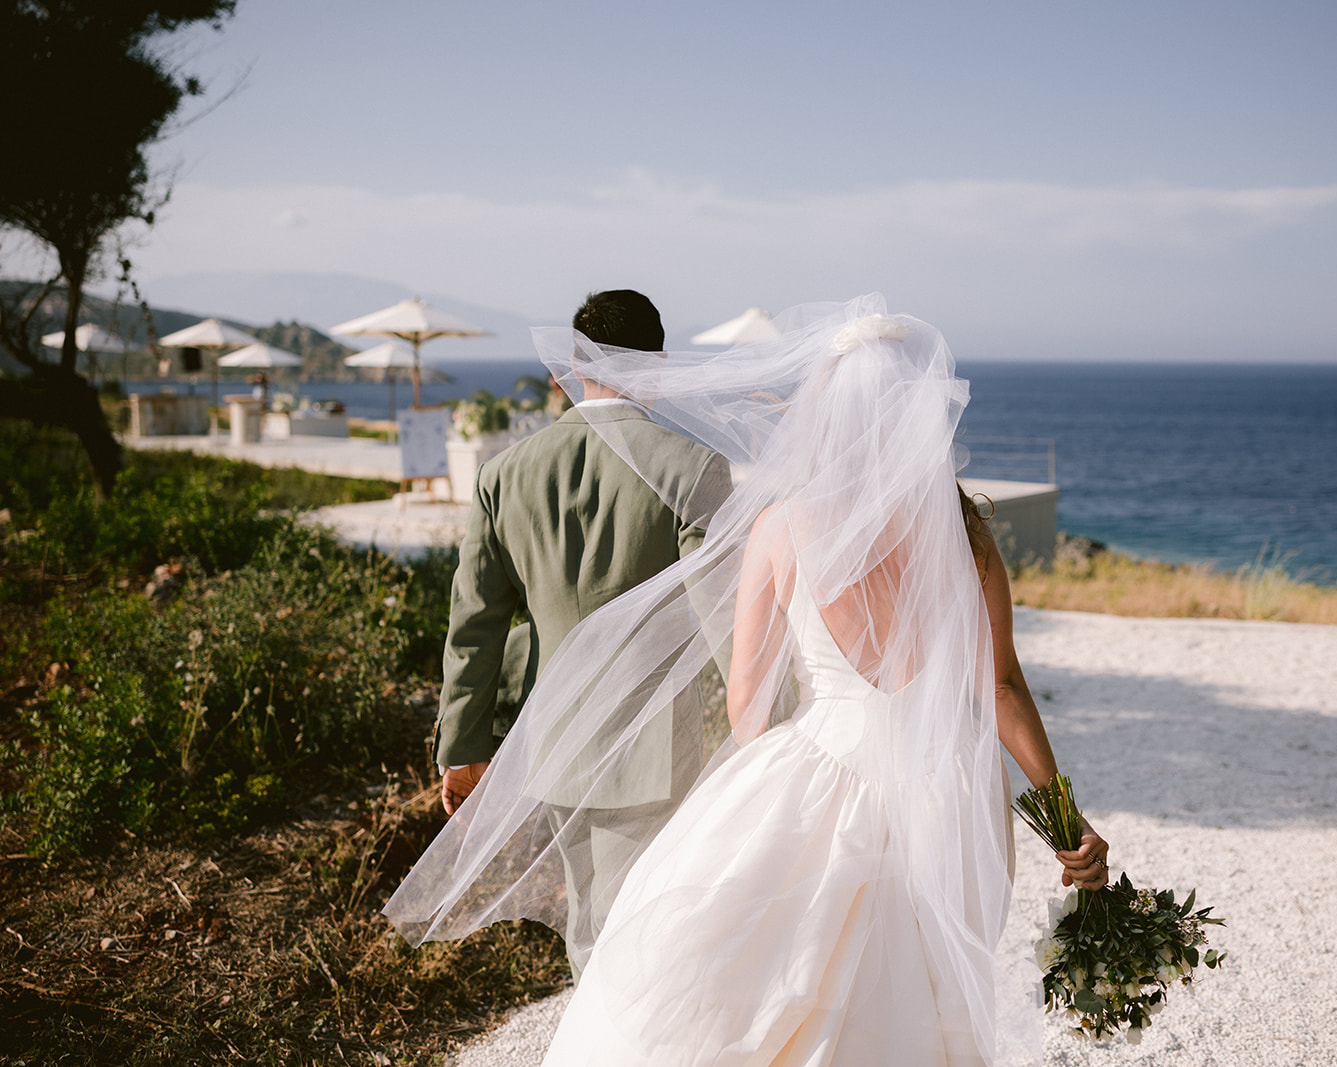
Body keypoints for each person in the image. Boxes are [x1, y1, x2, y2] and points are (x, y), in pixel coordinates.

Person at [386, 296, 1107, 1064]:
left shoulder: (781, 526)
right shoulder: (968, 538)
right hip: (947, 797)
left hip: (817, 773)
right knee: (919, 998)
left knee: (764, 984)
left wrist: (761, 788)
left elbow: (748, 705)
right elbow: (999, 689)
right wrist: (1070, 821)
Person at [430, 289, 731, 973]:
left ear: (573, 362)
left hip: (556, 740)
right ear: (657, 366)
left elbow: (473, 624)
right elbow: (730, 619)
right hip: (660, 742)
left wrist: (463, 746)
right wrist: (776, 729)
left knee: (592, 927)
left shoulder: (505, 473)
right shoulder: (694, 468)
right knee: (650, 931)